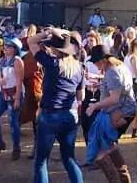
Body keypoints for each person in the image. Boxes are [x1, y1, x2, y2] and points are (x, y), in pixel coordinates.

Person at [27, 29, 85, 183]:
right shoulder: (79, 68)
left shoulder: (52, 64)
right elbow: (81, 95)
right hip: (70, 114)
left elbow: (31, 41)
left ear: (55, 49)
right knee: (69, 159)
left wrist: (50, 31)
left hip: (50, 114)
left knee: (41, 161)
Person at [85, 45, 137, 183]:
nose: (94, 65)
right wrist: (101, 84)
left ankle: (117, 180)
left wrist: (95, 106)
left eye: (95, 62)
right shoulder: (119, 67)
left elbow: (114, 98)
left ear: (103, 60)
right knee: (110, 146)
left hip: (120, 113)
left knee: (101, 152)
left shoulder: (112, 72)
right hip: (124, 111)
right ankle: (124, 180)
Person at [0, 37, 26, 160]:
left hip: (14, 94)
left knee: (13, 122)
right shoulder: (1, 61)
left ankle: (16, 148)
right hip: (3, 93)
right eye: (5, 45)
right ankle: (0, 143)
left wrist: (17, 98)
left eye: (8, 45)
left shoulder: (17, 61)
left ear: (14, 49)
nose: (5, 47)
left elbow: (19, 81)